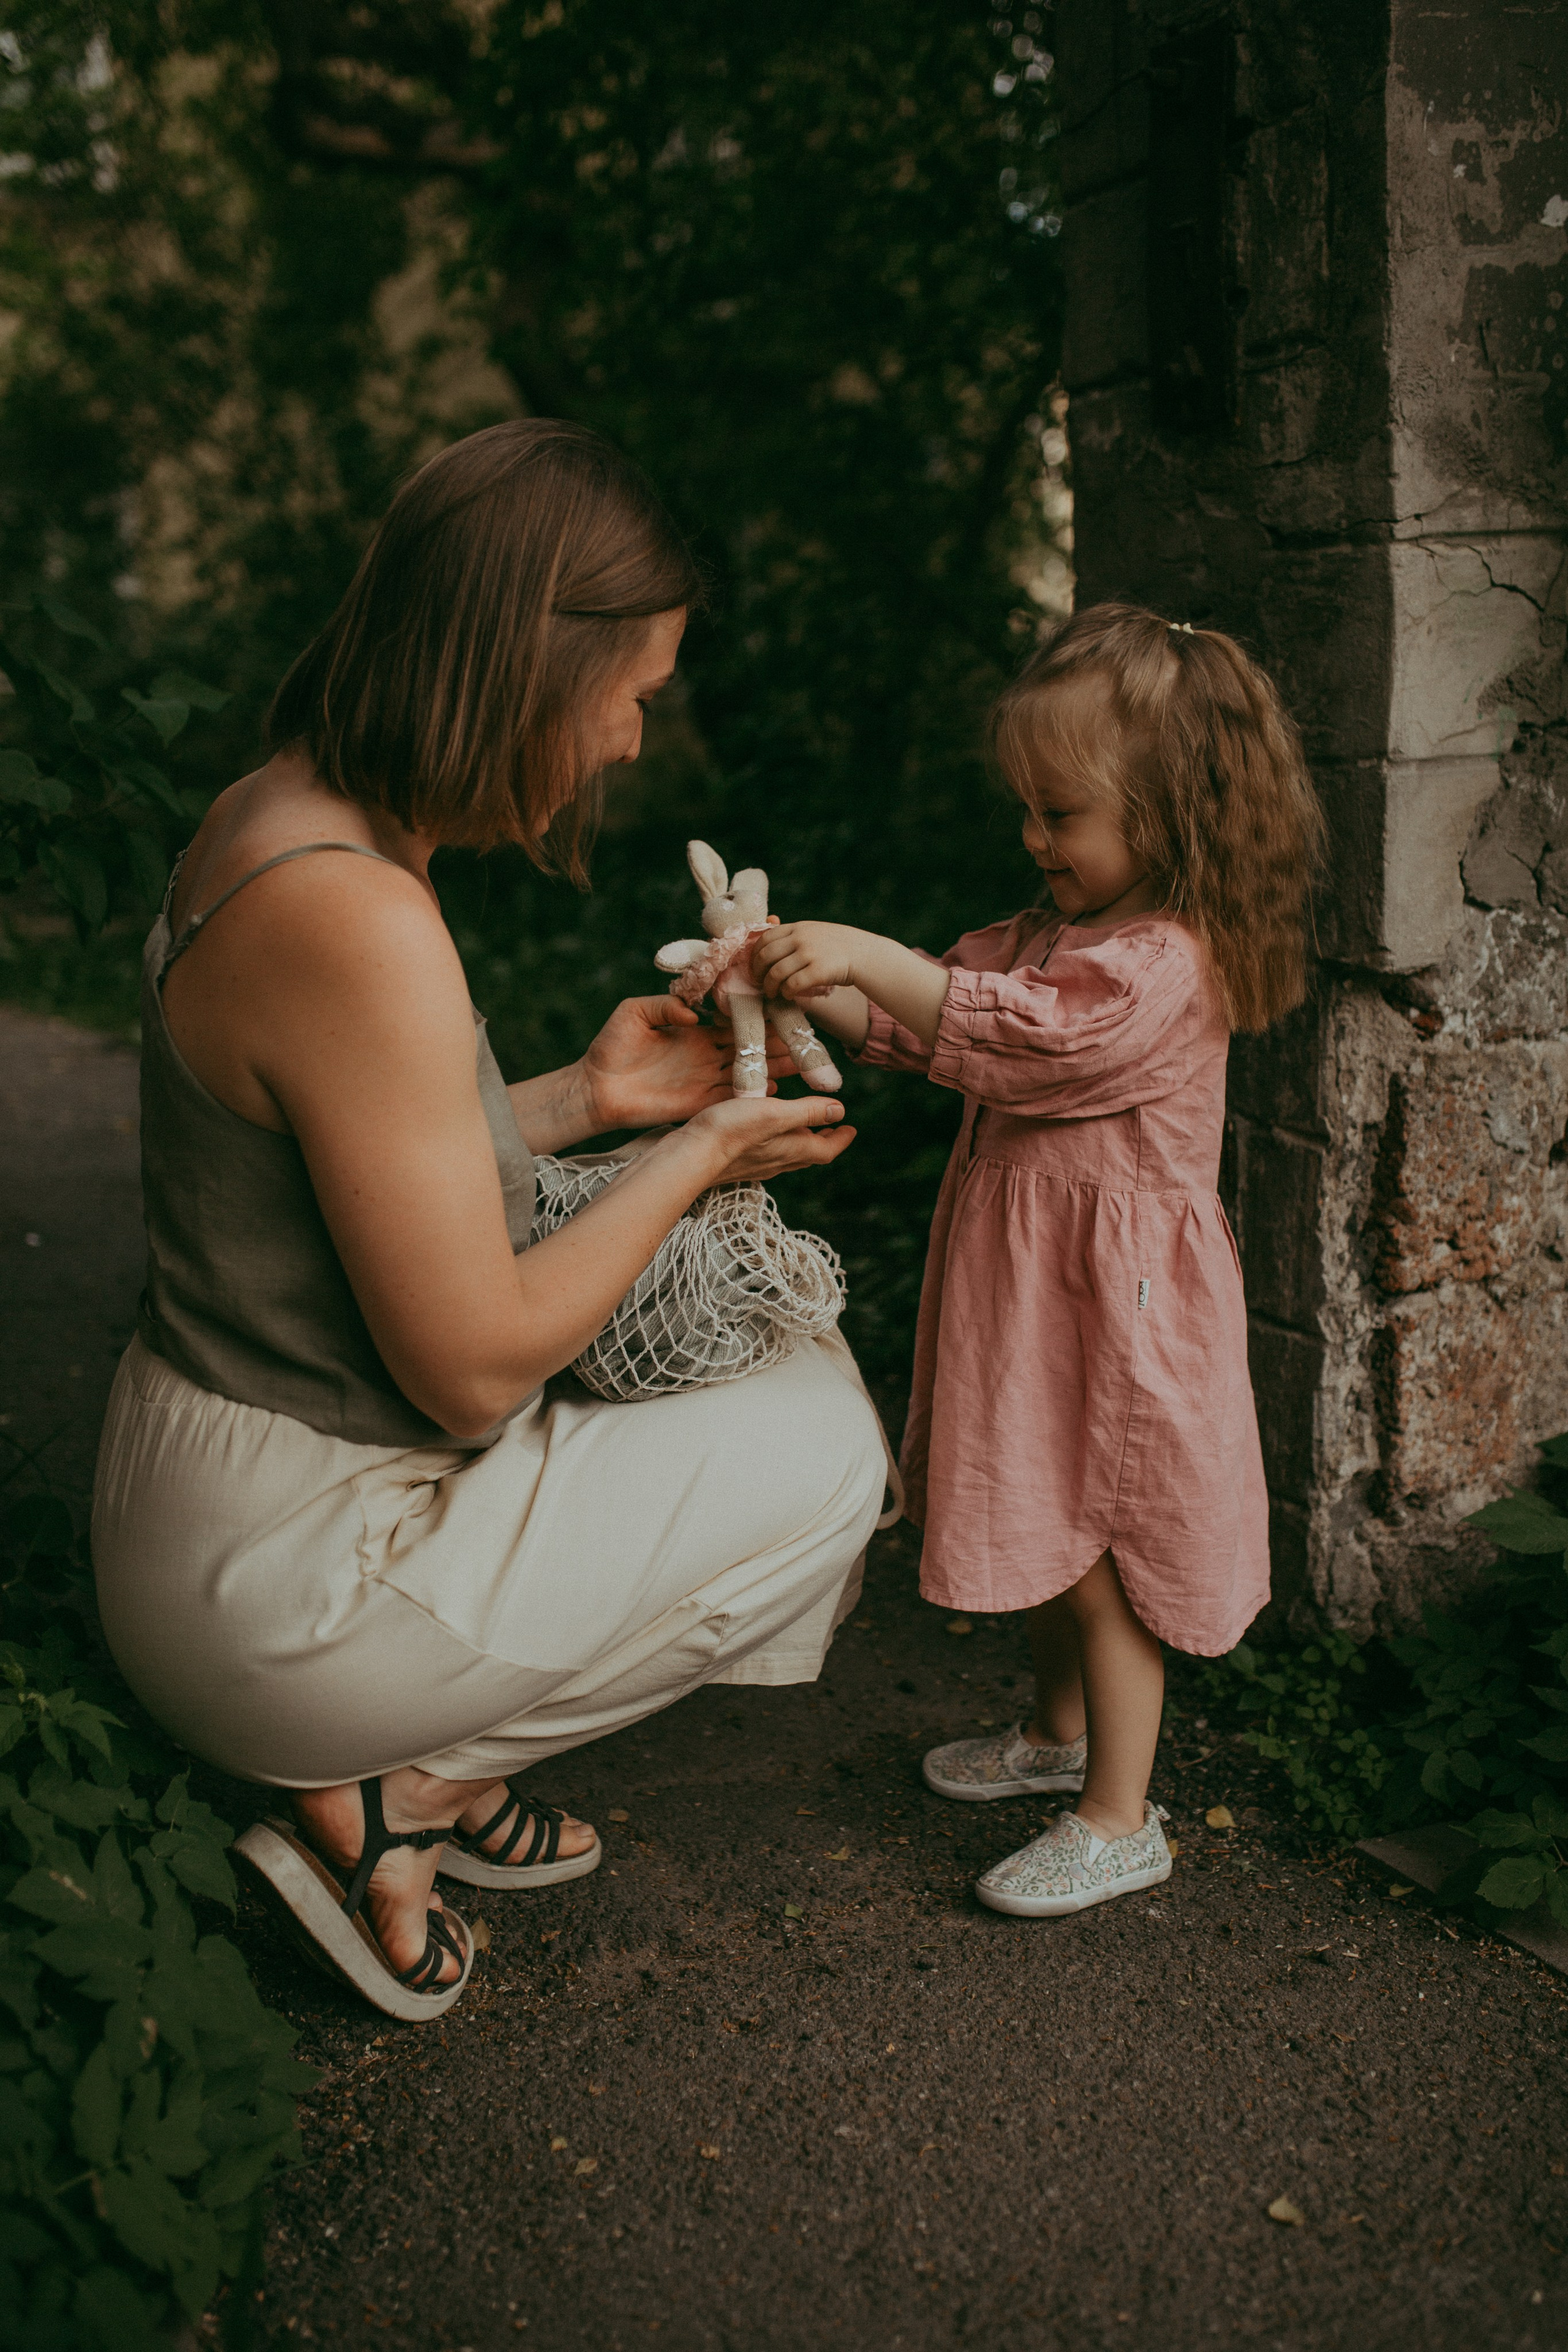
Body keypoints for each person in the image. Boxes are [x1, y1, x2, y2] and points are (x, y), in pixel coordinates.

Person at [92, 420, 888, 2018]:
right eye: (631, 694)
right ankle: (397, 1794)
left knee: (786, 1401)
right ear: (533, 666)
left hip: (214, 1482)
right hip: (275, 1574)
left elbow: (355, 1160)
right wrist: (709, 1151)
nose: (629, 742)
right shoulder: (359, 916)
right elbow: (471, 1369)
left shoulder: (286, 815)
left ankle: (392, 1759)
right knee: (829, 1456)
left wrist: (590, 1102)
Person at [755, 604, 1323, 1917]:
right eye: (1026, 807)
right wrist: (801, 977)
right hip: (1035, 1293)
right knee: (1034, 1502)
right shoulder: (1042, 937)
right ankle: (1056, 1739)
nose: (1032, 837)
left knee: (1096, 1542)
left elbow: (1030, 1039)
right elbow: (923, 1028)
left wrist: (876, 961)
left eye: (1059, 813)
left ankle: (1120, 1816)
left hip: (1114, 1309)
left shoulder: (1160, 963)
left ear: (1170, 813)